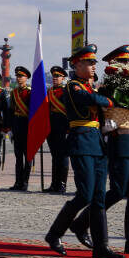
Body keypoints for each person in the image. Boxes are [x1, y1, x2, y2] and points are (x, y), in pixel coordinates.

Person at [71, 45, 129, 256]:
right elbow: (100, 109)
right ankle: (82, 222)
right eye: (122, 63)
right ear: (112, 66)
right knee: (118, 190)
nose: (126, 67)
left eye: (128, 63)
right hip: (118, 143)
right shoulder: (108, 89)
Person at [45, 44, 123, 258]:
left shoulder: (91, 87)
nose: (92, 66)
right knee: (85, 194)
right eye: (88, 62)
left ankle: (101, 246)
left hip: (97, 143)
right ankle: (54, 234)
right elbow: (91, 101)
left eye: (93, 62)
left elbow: (99, 101)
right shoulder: (72, 86)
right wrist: (106, 100)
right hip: (81, 141)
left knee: (98, 197)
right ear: (76, 65)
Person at [44, 66, 70, 194]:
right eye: (54, 76)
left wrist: (68, 128)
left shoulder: (66, 91)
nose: (55, 79)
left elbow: (70, 111)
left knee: (63, 156)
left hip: (63, 126)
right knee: (54, 156)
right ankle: (54, 183)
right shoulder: (49, 92)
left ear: (63, 78)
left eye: (58, 76)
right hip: (52, 127)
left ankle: (62, 184)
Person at [6, 66, 32, 191]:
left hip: (27, 127)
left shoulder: (31, 92)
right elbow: (10, 112)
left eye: (21, 76)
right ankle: (17, 182)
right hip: (17, 126)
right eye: (17, 76)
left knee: (28, 157)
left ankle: (25, 182)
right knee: (18, 157)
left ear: (26, 78)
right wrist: (10, 129)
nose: (18, 78)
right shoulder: (14, 93)